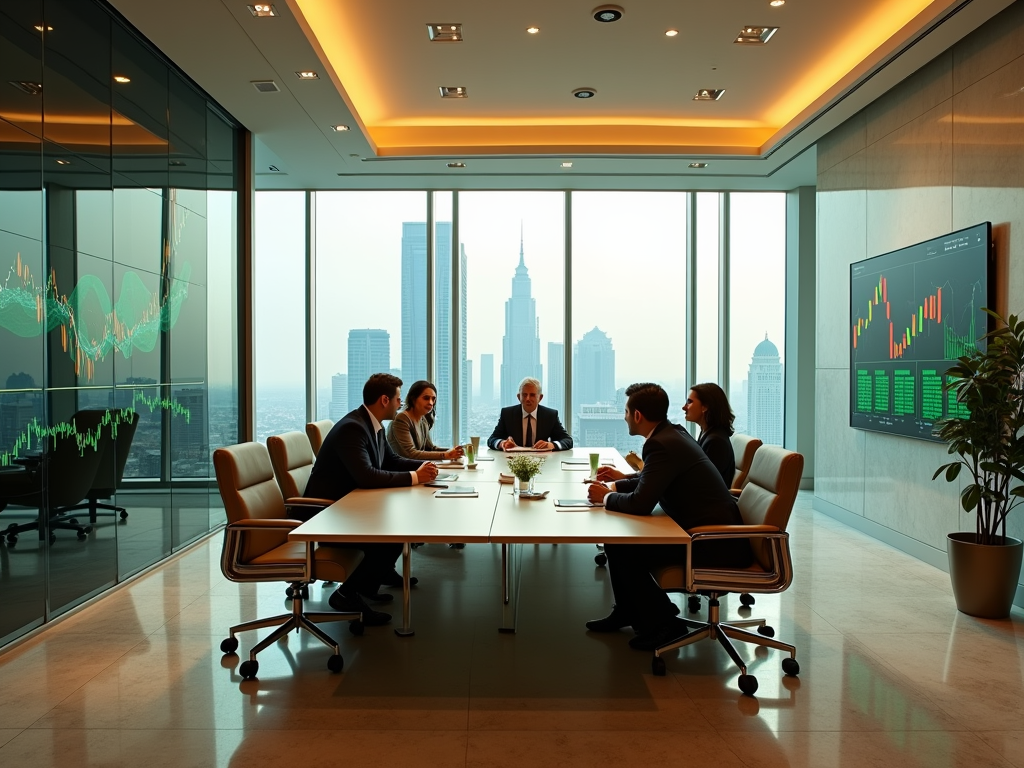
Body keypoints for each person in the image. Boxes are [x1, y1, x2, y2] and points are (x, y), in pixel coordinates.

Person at [584, 382, 752, 650]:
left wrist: (604, 498)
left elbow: (641, 503)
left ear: (637, 415)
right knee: (618, 542)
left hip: (712, 542)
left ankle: (667, 623)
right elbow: (649, 480)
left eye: (626, 412)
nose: (625, 417)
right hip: (702, 532)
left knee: (627, 548)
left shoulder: (661, 444)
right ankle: (627, 610)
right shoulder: (673, 434)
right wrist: (613, 487)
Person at [304, 373, 439, 625]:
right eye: (398, 398)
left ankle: (378, 577)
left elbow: (392, 461)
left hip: (348, 507)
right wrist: (415, 477)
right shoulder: (353, 428)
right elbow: (366, 476)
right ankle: (347, 594)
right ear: (385, 399)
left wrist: (426, 466)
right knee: (393, 535)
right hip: (327, 516)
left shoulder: (372, 424)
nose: (401, 403)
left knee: (396, 530)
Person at [486, 377, 573, 451]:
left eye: (532, 395)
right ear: (518, 397)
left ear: (540, 397)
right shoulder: (508, 414)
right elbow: (492, 440)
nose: (528, 399)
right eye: (524, 395)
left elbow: (568, 440)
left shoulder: (550, 415)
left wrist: (551, 445)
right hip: (513, 461)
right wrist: (502, 443)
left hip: (542, 462)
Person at [386, 380, 464, 462]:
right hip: (401, 472)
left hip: (416, 469)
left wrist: (454, 452)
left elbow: (429, 448)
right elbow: (410, 453)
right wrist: (446, 455)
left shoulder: (423, 420)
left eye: (433, 399)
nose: (431, 403)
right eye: (426, 398)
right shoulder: (402, 418)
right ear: (413, 399)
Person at [682, 382, 735, 488]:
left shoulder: (716, 441)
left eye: (689, 402)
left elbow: (703, 483)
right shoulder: (707, 432)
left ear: (705, 407)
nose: (684, 407)